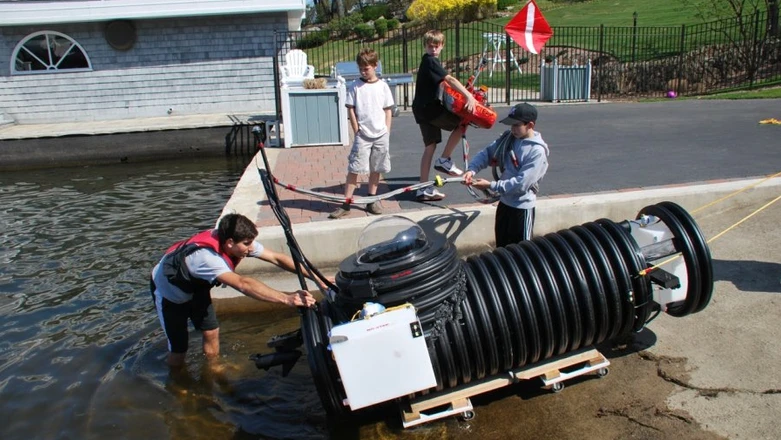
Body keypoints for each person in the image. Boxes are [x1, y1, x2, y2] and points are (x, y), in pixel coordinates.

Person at [150, 213, 317, 368]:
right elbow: (243, 284)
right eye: (246, 244)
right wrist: (286, 298)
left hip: (196, 289)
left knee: (211, 331)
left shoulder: (235, 241)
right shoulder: (207, 259)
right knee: (179, 348)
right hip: (169, 295)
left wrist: (316, 278)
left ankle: (213, 369)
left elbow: (276, 258)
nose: (251, 248)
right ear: (230, 242)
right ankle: (178, 382)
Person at [463, 103, 549, 247]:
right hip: (504, 204)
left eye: (516, 125)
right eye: (511, 125)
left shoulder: (537, 152)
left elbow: (521, 184)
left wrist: (491, 185)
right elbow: (487, 154)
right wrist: (471, 170)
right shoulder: (509, 138)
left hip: (522, 208)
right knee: (501, 248)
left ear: (530, 125)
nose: (512, 129)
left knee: (522, 253)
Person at [412, 29, 477, 202]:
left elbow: (442, 86)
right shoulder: (431, 61)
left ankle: (422, 187)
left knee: (430, 147)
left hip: (422, 109)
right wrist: (468, 96)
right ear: (425, 46)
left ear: (442, 46)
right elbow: (450, 80)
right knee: (462, 123)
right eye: (430, 46)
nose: (433, 49)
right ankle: (444, 159)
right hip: (429, 110)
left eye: (436, 46)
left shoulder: (428, 62)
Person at [329, 48, 395, 219]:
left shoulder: (382, 86)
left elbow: (388, 110)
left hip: (380, 134)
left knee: (376, 167)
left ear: (375, 66)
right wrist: (356, 129)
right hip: (363, 135)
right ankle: (347, 203)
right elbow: (350, 109)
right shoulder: (355, 86)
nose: (363, 72)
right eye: (361, 68)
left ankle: (372, 199)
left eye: (366, 68)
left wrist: (387, 130)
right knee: (355, 168)